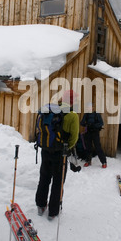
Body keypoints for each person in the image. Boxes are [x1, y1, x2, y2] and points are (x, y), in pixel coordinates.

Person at [35, 90, 79, 220]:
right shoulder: (72, 115)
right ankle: (53, 212)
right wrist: (67, 148)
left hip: (45, 149)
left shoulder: (51, 109)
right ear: (71, 101)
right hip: (61, 153)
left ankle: (40, 205)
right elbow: (74, 138)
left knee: (44, 178)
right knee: (58, 182)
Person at [80, 103, 107, 168]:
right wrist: (86, 124)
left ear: (93, 107)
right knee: (88, 147)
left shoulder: (97, 114)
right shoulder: (86, 115)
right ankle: (88, 161)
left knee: (98, 147)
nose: (89, 108)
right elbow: (82, 123)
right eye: (88, 107)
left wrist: (94, 125)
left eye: (90, 107)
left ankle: (104, 162)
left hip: (95, 133)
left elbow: (101, 123)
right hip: (88, 132)